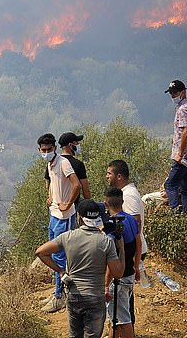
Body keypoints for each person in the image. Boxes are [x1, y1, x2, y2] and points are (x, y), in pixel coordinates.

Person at [35, 199, 124, 338]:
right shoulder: (106, 241)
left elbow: (40, 252)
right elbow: (118, 273)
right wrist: (121, 248)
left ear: (79, 217)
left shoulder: (68, 237)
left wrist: (60, 271)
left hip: (74, 295)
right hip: (95, 296)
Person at [39, 132, 81, 313]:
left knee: (59, 256)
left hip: (64, 216)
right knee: (54, 254)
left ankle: (59, 295)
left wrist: (69, 203)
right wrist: (51, 197)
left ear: (55, 148)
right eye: (43, 150)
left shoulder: (64, 163)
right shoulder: (50, 165)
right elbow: (53, 185)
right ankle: (59, 291)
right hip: (54, 214)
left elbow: (77, 185)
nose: (46, 152)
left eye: (49, 149)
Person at [104, 187, 141, 338]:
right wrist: (136, 267)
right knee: (116, 319)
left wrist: (106, 284)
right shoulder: (131, 220)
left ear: (105, 204)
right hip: (129, 274)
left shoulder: (112, 226)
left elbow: (111, 260)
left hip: (117, 279)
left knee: (124, 320)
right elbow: (138, 244)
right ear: (123, 202)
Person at [163, 79, 187, 213]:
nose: (173, 96)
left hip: (183, 155)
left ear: (183, 92)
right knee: (185, 185)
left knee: (170, 184)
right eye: (171, 93)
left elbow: (186, 132)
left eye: (175, 93)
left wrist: (180, 153)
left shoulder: (182, 110)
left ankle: (176, 212)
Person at [105, 159, 149, 268]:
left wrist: (132, 253)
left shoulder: (128, 195)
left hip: (130, 251)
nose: (107, 176)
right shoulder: (125, 193)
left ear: (119, 176)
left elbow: (136, 222)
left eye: (109, 173)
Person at [47, 133, 91, 200]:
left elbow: (48, 185)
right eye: (76, 143)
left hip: (56, 204)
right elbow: (86, 190)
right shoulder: (78, 164)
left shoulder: (52, 163)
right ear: (71, 145)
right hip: (73, 205)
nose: (78, 145)